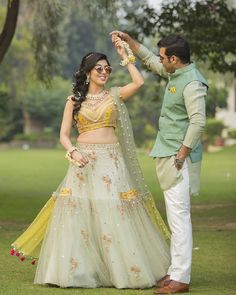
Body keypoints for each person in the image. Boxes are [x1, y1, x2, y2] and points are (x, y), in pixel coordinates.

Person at [10, 36, 171, 289]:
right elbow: (63, 135)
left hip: (112, 161)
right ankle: (78, 272)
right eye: (99, 68)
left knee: (114, 209)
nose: (105, 72)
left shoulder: (115, 95)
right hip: (83, 161)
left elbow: (139, 82)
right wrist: (73, 152)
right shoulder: (74, 101)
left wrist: (125, 55)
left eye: (107, 68)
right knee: (80, 213)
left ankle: (124, 272)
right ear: (87, 72)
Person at [110, 31, 208, 294]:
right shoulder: (177, 73)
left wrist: (182, 153)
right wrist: (130, 42)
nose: (160, 60)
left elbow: (198, 122)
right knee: (175, 217)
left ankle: (181, 278)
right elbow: (151, 61)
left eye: (164, 57)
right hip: (168, 155)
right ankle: (175, 272)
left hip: (178, 158)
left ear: (174, 59)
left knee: (179, 218)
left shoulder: (193, 83)